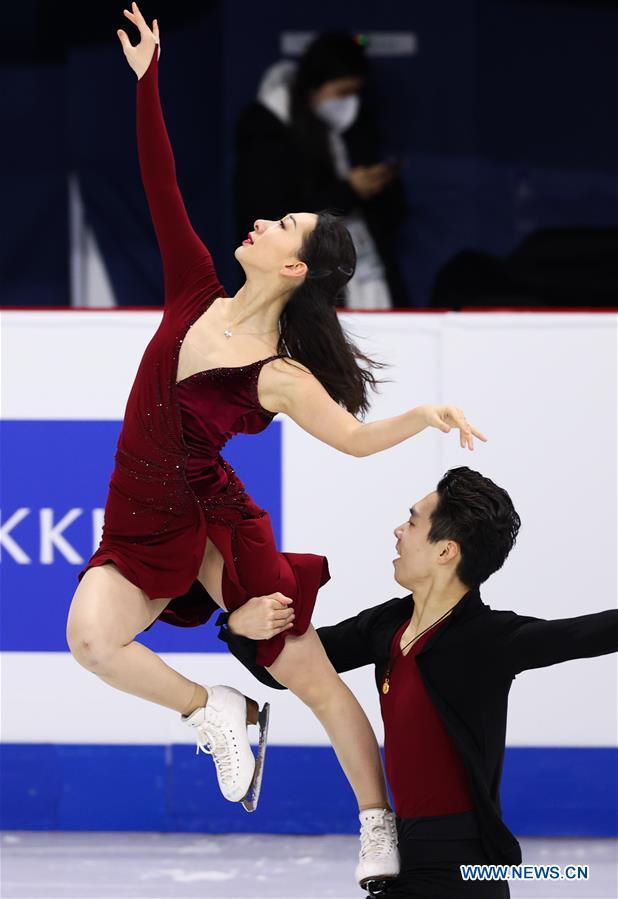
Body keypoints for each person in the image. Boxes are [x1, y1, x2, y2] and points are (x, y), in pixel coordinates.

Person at [65, 6, 485, 888]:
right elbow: (160, 181)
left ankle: (379, 826)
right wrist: (147, 82)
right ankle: (215, 707)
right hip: (140, 518)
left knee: (318, 681)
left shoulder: (284, 372)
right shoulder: (192, 287)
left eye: (281, 225)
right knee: (92, 639)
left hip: (216, 527)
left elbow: (358, 438)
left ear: (294, 269)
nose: (259, 222)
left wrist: (424, 416)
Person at [218, 466, 618, 897]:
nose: (398, 530)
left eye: (411, 522)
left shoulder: (486, 639)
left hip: (465, 868)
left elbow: (581, 634)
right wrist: (238, 627)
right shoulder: (387, 625)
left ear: (446, 551)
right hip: (401, 856)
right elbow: (289, 672)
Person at [234, 32, 410, 308]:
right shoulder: (268, 133)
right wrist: (349, 191)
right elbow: (267, 212)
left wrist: (376, 186)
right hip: (301, 290)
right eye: (342, 92)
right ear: (312, 87)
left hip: (363, 275)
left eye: (355, 93)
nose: (349, 103)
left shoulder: (352, 132)